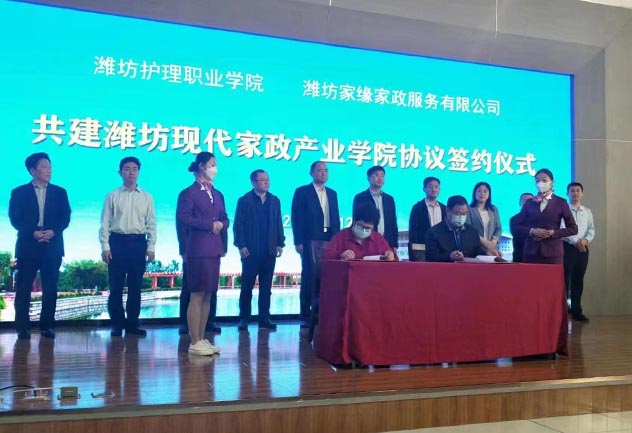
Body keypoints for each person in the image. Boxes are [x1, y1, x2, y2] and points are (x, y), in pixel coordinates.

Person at [9, 152, 71, 340]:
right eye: (44, 167)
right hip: (28, 244)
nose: (49, 170)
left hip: (52, 244)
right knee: (24, 288)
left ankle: (47, 326)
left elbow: (65, 217)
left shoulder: (60, 192)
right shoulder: (19, 192)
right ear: (32, 170)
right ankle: (22, 327)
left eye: (50, 167)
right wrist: (32, 232)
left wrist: (53, 231)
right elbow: (15, 218)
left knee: (50, 288)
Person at [176, 152, 228, 356]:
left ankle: (202, 337)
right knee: (197, 294)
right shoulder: (188, 193)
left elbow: (225, 218)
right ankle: (194, 340)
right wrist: (209, 225)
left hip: (214, 249)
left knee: (208, 294)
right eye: (212, 164)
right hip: (197, 249)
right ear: (201, 166)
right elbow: (184, 218)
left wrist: (222, 224)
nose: (215, 168)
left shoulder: (217, 193)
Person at [99, 157, 156, 337]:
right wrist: (105, 246)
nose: (131, 172)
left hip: (138, 243)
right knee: (115, 286)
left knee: (135, 287)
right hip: (117, 243)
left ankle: (132, 324)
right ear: (120, 172)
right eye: (127, 169)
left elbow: (151, 223)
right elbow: (105, 222)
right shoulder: (112, 195)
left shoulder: (147, 197)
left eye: (134, 169)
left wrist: (151, 246)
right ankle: (117, 324)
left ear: (138, 172)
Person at [233, 170, 285, 331]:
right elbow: (238, 225)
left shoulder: (274, 200)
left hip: (269, 250)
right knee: (247, 287)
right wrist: (241, 245)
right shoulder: (244, 200)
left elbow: (278, 223)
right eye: (262, 180)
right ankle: (244, 318)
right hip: (250, 251)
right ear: (253, 182)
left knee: (266, 287)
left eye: (268, 180)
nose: (266, 183)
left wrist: (280, 243)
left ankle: (264, 318)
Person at [291, 161, 340, 328]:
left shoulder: (332, 193)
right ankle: (305, 314)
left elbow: (335, 218)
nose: (323, 173)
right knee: (309, 276)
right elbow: (296, 217)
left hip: (328, 240)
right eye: (319, 170)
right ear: (311, 173)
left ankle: (322, 313)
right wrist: (298, 241)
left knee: (326, 276)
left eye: (326, 170)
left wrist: (337, 241)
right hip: (309, 240)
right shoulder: (302, 191)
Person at [510, 168, 578, 264]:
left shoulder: (561, 202)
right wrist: (532, 231)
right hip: (531, 253)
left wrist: (553, 233)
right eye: (537, 181)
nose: (540, 183)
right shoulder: (529, 203)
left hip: (553, 253)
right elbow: (516, 226)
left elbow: (573, 229)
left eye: (544, 180)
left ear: (552, 182)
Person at [563, 182, 595, 322]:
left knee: (578, 280)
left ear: (582, 194)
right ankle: (563, 311)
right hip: (567, 248)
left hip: (583, 249)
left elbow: (591, 229)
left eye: (578, 191)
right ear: (567, 193)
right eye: (572, 191)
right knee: (564, 280)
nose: (575, 193)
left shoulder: (587, 211)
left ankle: (576, 311)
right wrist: (575, 242)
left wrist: (585, 240)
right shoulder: (563, 210)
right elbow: (562, 229)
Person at [322, 203, 396, 261]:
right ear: (354, 222)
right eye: (361, 226)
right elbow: (325, 256)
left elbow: (394, 259)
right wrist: (340, 255)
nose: (363, 230)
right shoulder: (341, 236)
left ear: (373, 227)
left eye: (367, 228)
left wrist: (391, 256)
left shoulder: (378, 239)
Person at [425, 195, 486, 262]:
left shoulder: (472, 232)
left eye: (464, 214)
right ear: (448, 211)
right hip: (445, 267)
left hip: (468, 268)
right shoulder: (434, 232)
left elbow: (479, 254)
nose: (461, 217)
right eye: (458, 213)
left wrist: (489, 255)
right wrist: (449, 256)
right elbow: (430, 257)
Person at [352, 165, 398, 251]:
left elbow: (393, 223)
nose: (380, 178)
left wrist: (394, 244)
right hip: (366, 241)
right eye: (376, 175)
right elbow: (356, 220)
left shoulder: (389, 199)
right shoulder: (360, 197)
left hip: (386, 242)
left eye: (382, 176)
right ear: (368, 178)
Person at [408, 177, 447, 261]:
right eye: (430, 186)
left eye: (436, 187)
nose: (434, 189)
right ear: (424, 189)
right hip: (423, 249)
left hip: (441, 249)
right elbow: (413, 231)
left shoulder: (444, 208)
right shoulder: (417, 208)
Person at [467, 182, 502, 256]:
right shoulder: (469, 209)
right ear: (474, 193)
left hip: (493, 248)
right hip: (476, 247)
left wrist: (493, 242)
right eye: (479, 191)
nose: (482, 193)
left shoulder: (494, 209)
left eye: (485, 191)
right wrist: (484, 242)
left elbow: (498, 228)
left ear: (489, 194)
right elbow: (468, 229)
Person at [509, 192, 534, 262]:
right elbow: (518, 235)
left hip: (536, 257)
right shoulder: (514, 219)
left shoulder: (539, 219)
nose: (527, 202)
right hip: (519, 256)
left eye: (530, 200)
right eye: (525, 200)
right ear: (520, 203)